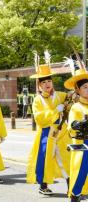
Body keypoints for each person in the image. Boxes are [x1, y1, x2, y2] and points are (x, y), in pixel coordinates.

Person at [27, 64, 71, 195]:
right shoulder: (37, 100)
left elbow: (70, 98)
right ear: (39, 85)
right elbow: (39, 119)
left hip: (62, 132)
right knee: (45, 159)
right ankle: (43, 185)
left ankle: (72, 187)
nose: (47, 84)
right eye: (44, 82)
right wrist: (55, 111)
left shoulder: (59, 95)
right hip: (46, 133)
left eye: (49, 81)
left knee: (66, 158)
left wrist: (73, 94)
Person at [64, 61, 88, 202]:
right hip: (83, 145)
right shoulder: (76, 107)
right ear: (78, 90)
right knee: (81, 173)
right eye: (85, 87)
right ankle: (75, 196)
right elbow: (71, 127)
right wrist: (79, 124)